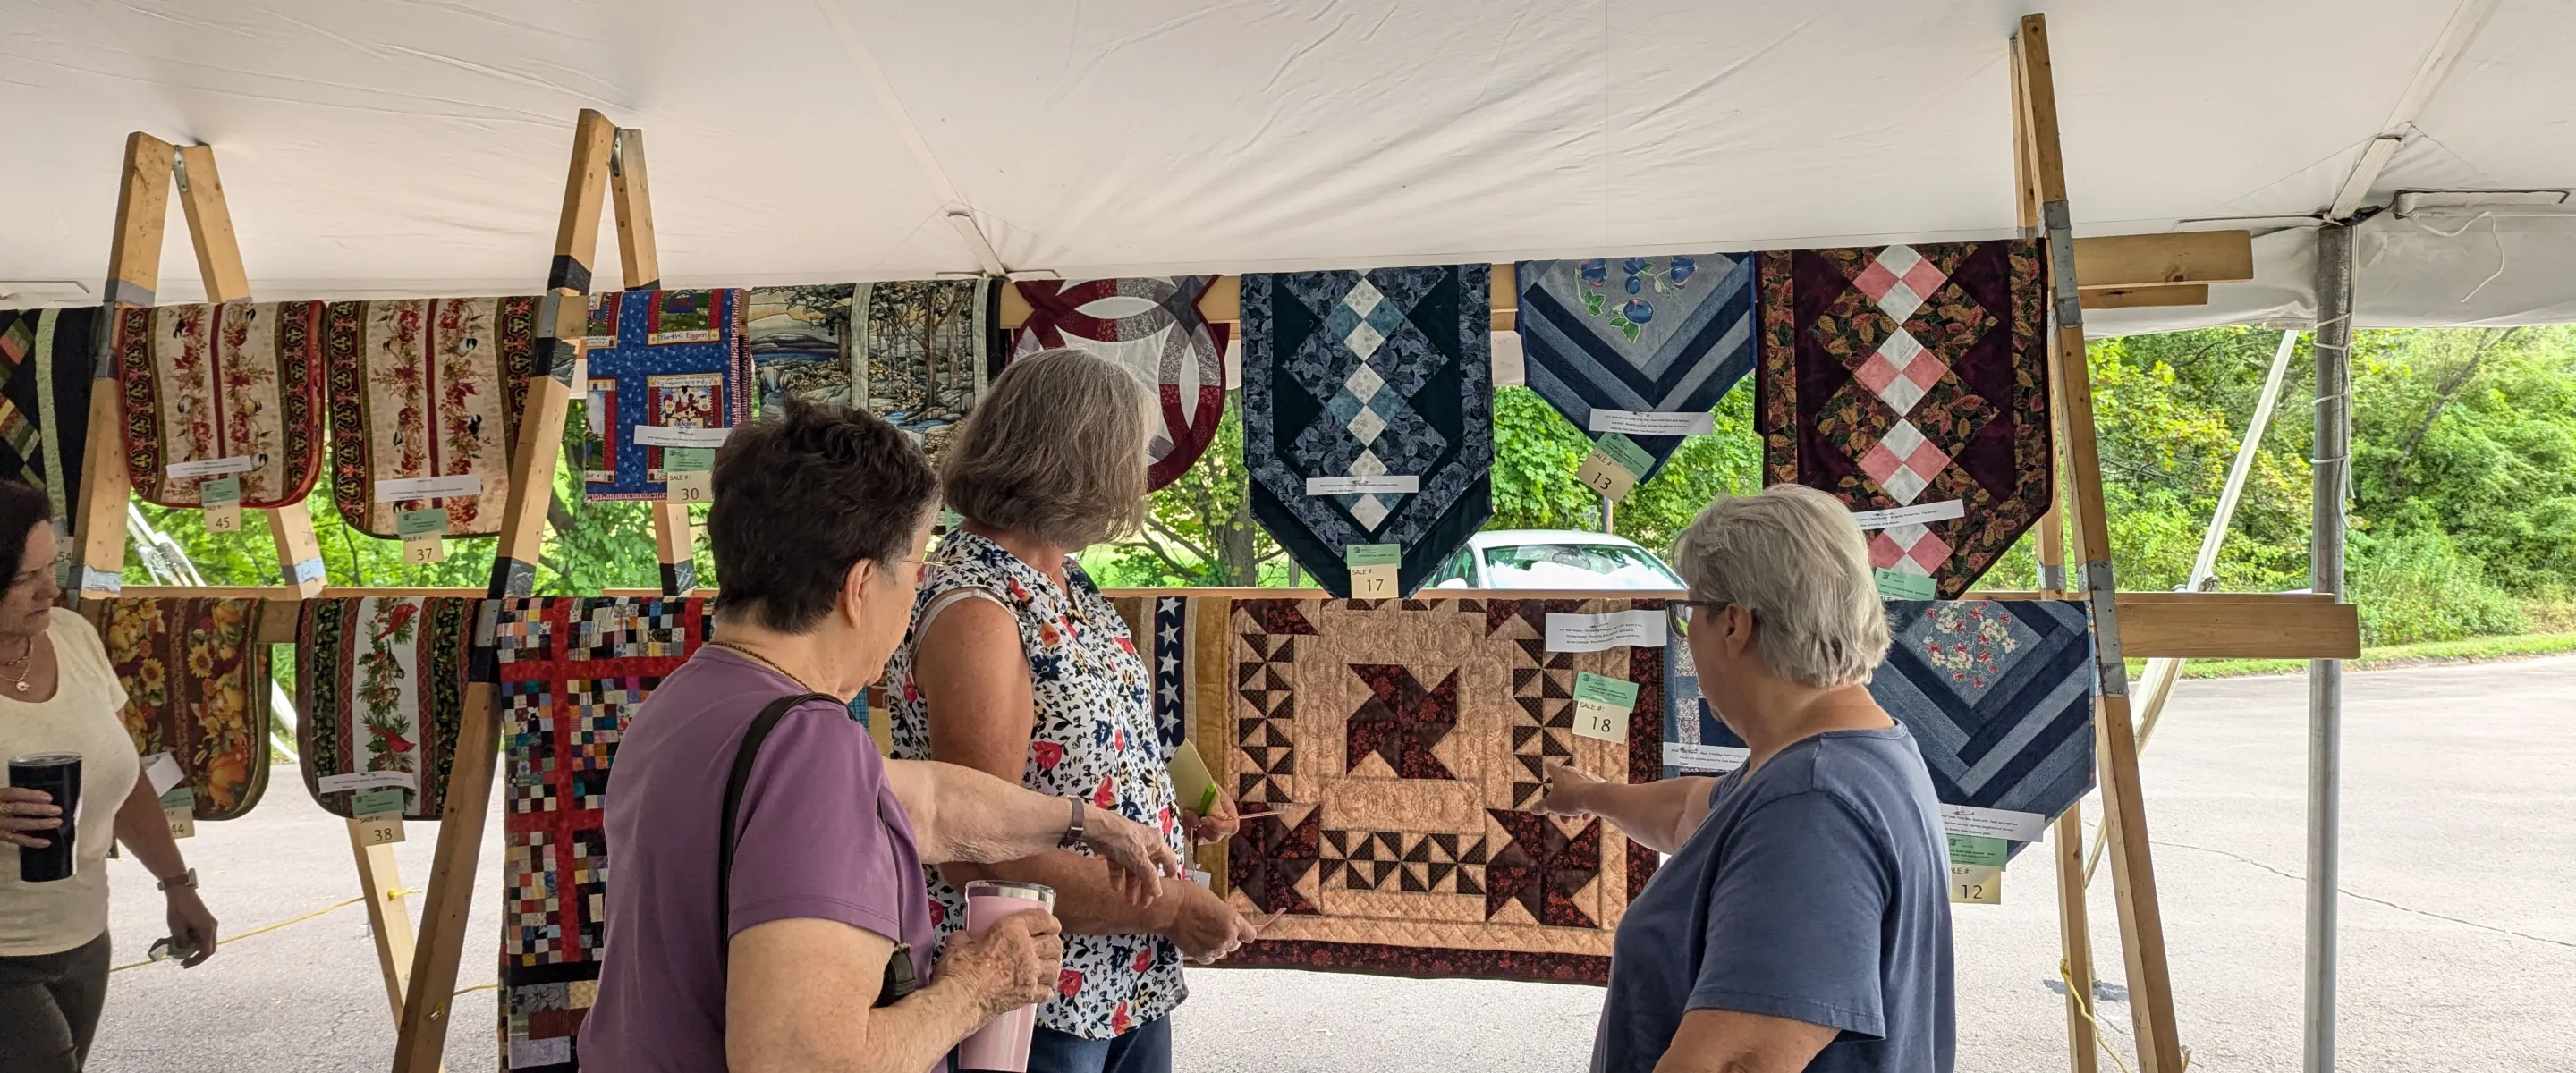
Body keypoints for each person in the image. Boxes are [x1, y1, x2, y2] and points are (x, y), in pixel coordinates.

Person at [577, 401, 1185, 1073]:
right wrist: (976, 989)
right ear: (860, 586)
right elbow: (805, 1062)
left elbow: (923, 801)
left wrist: (1085, 822)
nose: (920, 585)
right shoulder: (809, 748)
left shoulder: (694, 697)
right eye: (914, 565)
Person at [887, 349, 1259, 1073]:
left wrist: (1171, 812)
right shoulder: (980, 607)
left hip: (1116, 982)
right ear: (1083, 461)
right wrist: (1174, 905)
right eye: (1130, 454)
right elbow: (982, 850)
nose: (1139, 475)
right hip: (1034, 998)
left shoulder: (1062, 578)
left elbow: (1084, 761)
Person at [1538, 484, 1953, 1073]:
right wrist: (1585, 794)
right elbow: (1691, 813)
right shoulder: (1839, 757)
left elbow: (1736, 1062)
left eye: (1690, 617)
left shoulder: (1813, 807)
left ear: (1733, 624)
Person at [0, 480, 219, 1073]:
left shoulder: (73, 638)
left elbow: (123, 779)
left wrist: (178, 884)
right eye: (26, 579)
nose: (51, 589)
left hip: (82, 938)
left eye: (53, 566)